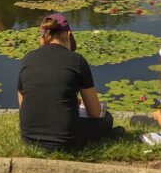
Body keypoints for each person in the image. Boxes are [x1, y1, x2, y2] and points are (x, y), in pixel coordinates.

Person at [17, 13, 114, 151]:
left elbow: (24, 104)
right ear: (68, 34)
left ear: (43, 37)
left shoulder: (28, 59)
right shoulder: (77, 60)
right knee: (107, 119)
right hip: (66, 141)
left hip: (29, 139)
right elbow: (94, 112)